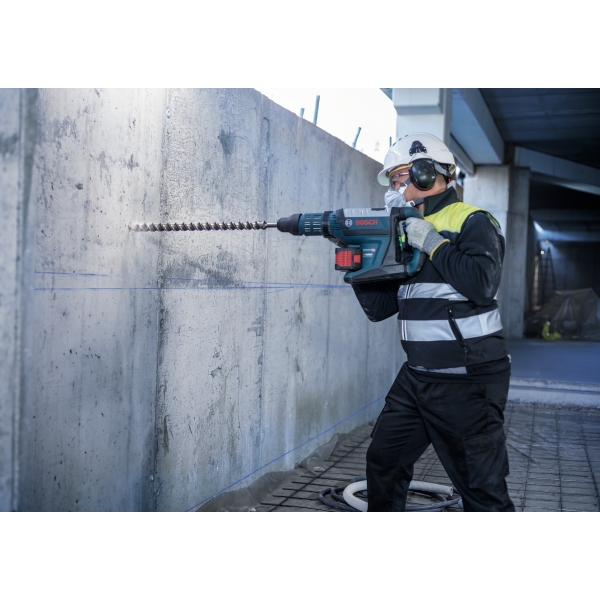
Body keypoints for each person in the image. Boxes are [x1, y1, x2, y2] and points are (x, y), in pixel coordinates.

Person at [351, 132, 515, 512]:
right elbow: (381, 308)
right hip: (418, 376)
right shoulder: (404, 230)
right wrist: (359, 263)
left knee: (481, 490)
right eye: (392, 182)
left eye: (400, 178)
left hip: (467, 379)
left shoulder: (471, 221)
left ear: (427, 174)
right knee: (384, 461)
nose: (395, 190)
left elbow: (482, 284)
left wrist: (432, 242)